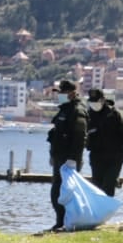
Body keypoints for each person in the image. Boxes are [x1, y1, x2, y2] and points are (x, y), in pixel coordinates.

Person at [46, 79, 88, 232]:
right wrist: (52, 155)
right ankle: (60, 222)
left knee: (67, 192)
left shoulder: (78, 110)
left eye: (62, 92)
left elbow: (80, 138)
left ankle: (68, 222)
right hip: (59, 156)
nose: (60, 95)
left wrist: (73, 159)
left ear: (71, 93)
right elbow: (56, 135)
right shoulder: (64, 110)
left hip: (69, 159)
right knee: (56, 191)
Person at [85, 88, 123, 197]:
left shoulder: (115, 115)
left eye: (96, 101)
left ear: (103, 100)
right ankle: (99, 208)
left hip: (114, 157)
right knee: (97, 187)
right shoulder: (89, 116)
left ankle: (107, 206)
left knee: (108, 186)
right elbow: (84, 137)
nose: (94, 104)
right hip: (96, 157)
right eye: (92, 102)